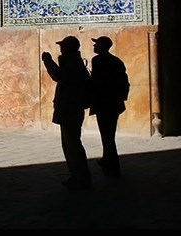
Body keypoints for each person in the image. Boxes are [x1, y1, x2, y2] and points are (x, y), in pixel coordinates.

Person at [41, 36, 92, 190]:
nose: (61, 49)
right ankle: (77, 175)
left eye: (63, 46)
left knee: (72, 144)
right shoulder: (73, 63)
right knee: (71, 144)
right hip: (70, 108)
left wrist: (48, 61)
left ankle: (81, 177)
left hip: (70, 108)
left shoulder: (74, 64)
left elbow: (59, 76)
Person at [89, 36, 130, 177]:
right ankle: (107, 160)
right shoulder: (117, 61)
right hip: (114, 103)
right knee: (109, 133)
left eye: (96, 44)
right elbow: (124, 82)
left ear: (102, 46)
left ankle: (113, 164)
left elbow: (96, 81)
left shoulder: (98, 60)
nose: (94, 47)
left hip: (103, 103)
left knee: (106, 135)